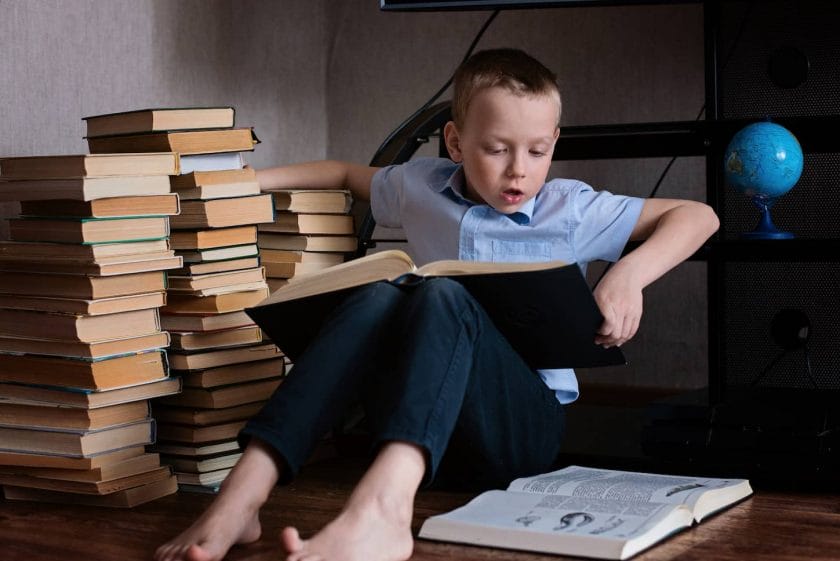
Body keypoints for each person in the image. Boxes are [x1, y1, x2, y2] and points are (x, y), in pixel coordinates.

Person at [154, 47, 719, 561]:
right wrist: (235, 183)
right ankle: (245, 490)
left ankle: (383, 512)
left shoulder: (570, 209)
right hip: (418, 424)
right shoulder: (422, 186)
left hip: (516, 435)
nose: (519, 169)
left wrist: (629, 275)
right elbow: (341, 173)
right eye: (496, 149)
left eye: (538, 151)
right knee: (382, 292)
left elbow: (698, 215)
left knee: (443, 293)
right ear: (454, 143)